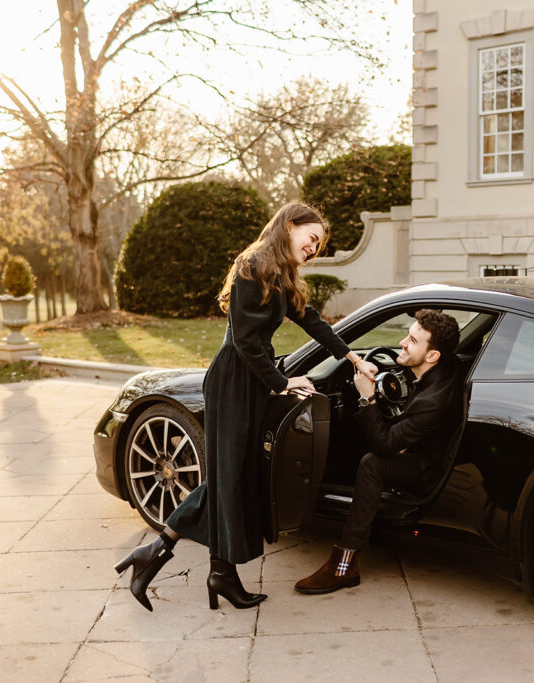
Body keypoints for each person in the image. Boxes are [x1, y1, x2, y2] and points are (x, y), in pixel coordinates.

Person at [114, 201, 378, 612]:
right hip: (233, 382)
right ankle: (197, 567)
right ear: (289, 226)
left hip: (251, 382)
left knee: (230, 479)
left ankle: (178, 560)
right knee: (228, 478)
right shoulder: (252, 265)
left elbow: (313, 322)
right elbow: (244, 342)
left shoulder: (282, 274)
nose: (313, 250)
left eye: (317, 246)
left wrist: (353, 357)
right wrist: (282, 382)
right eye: (311, 240)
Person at [294, 309, 464, 594]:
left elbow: (384, 445)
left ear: (433, 355)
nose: (402, 342)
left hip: (430, 469)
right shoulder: (448, 366)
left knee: (372, 463)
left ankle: (345, 562)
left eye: (412, 340)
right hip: (428, 446)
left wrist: (367, 396)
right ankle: (376, 526)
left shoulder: (434, 401)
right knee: (356, 443)